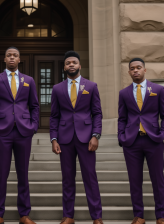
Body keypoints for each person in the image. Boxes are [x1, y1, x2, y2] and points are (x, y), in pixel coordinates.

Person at [0, 46, 39, 224]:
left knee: (23, 174)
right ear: (5, 59)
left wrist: (33, 126)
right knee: (1, 174)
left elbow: (35, 106)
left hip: (24, 132)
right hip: (3, 132)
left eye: (15, 55)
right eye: (9, 55)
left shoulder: (28, 80)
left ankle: (24, 214)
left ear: (19, 59)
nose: (12, 58)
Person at [50, 50, 104, 224]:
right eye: (68, 63)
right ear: (64, 67)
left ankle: (96, 216)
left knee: (90, 177)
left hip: (86, 138)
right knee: (67, 178)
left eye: (74, 62)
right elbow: (54, 116)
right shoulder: (57, 89)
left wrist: (96, 135)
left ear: (80, 65)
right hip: (65, 139)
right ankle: (68, 216)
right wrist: (54, 138)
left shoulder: (91, 86)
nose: (71, 65)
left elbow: (97, 113)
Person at [118, 58, 164, 224]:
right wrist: (121, 136)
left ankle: (161, 216)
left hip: (153, 140)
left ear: (144, 70)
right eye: (132, 68)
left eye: (138, 67)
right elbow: (122, 117)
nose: (135, 70)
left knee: (158, 179)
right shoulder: (124, 93)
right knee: (135, 180)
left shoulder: (158, 89)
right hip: (132, 142)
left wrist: (163, 135)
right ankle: (139, 216)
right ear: (129, 72)